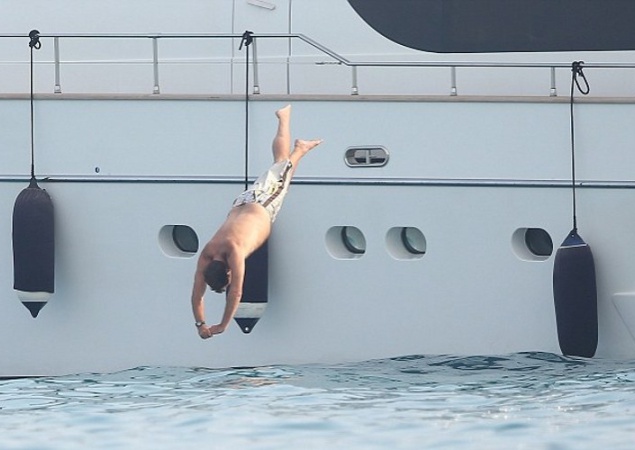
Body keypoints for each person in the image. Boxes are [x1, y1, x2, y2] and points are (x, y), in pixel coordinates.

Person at [191, 105, 322, 339]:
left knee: (284, 164)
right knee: (280, 167)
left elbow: (236, 293)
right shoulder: (207, 254)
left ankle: (298, 145)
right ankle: (290, 130)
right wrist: (200, 324)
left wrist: (222, 325)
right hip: (243, 202)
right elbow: (196, 296)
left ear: (228, 273)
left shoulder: (234, 252)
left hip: (263, 204)